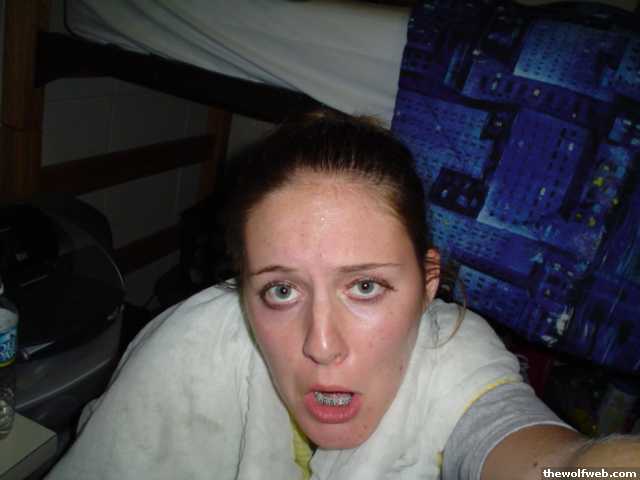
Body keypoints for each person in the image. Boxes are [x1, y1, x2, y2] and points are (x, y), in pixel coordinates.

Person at [48, 110, 638, 480]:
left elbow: (550, 464)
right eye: (281, 290)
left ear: (428, 283)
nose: (322, 345)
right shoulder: (193, 346)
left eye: (365, 286)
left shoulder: (455, 361)